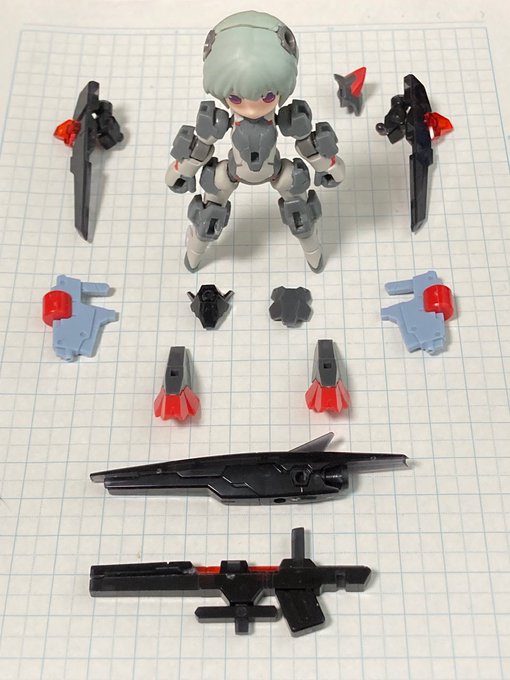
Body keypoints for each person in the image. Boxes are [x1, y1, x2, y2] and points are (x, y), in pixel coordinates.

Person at [166, 10, 345, 272]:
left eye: (268, 96)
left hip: (276, 171)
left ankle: (313, 253)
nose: (251, 108)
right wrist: (183, 171)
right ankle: (194, 253)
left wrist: (327, 166)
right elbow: (200, 148)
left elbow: (310, 144)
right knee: (208, 216)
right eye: (236, 99)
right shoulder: (216, 121)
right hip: (231, 172)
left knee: (301, 213)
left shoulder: (291, 118)